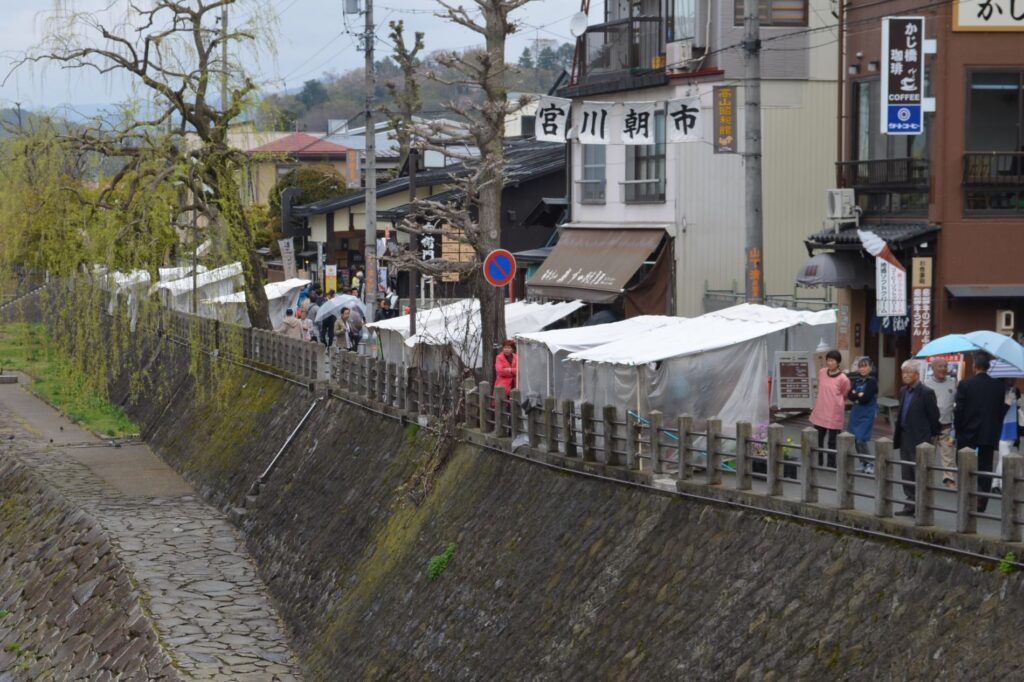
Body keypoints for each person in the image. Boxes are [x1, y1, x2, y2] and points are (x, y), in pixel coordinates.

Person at [954, 352, 1007, 512]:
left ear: (974, 366)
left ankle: (966, 497)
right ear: (988, 366)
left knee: (965, 464)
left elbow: (959, 410)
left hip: (968, 431)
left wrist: (958, 429)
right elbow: (1000, 412)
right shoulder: (999, 386)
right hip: (989, 432)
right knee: (985, 466)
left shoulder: (965, 384)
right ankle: (981, 500)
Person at [892, 360, 940, 517]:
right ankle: (910, 504)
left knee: (920, 473)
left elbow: (934, 416)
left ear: (917, 375)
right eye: (903, 373)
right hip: (905, 436)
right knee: (906, 472)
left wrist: (932, 436)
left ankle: (921, 507)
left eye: (909, 373)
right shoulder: (903, 391)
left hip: (920, 438)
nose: (905, 375)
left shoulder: (926, 392)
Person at [809, 349, 851, 467]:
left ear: (838, 362)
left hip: (834, 412)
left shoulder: (843, 378)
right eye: (828, 360)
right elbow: (820, 386)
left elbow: (845, 393)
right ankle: (818, 463)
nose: (829, 363)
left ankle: (831, 465)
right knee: (818, 439)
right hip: (821, 410)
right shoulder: (822, 372)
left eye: (832, 361)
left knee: (832, 441)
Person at [924, 357, 958, 488]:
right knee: (928, 454)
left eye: (945, 366)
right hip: (930, 427)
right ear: (933, 368)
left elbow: (958, 403)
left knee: (948, 454)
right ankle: (926, 478)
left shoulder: (952, 383)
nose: (943, 369)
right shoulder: (926, 384)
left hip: (947, 426)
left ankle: (949, 479)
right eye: (940, 366)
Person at [847, 357, 878, 473]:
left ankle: (870, 463)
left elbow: (865, 398)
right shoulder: (857, 380)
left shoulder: (872, 381)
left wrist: (857, 395)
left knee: (861, 439)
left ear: (870, 367)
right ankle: (863, 463)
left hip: (867, 413)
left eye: (865, 366)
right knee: (855, 439)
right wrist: (857, 395)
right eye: (860, 366)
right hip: (856, 413)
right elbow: (849, 395)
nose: (862, 369)